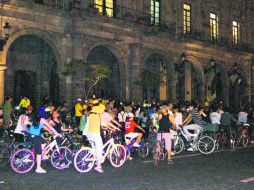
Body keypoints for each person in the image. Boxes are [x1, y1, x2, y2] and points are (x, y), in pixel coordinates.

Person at [85, 100, 109, 173]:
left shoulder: (91, 111)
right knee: (100, 148)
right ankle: (98, 166)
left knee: (94, 147)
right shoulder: (99, 110)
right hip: (95, 133)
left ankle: (95, 159)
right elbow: (103, 106)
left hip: (89, 133)